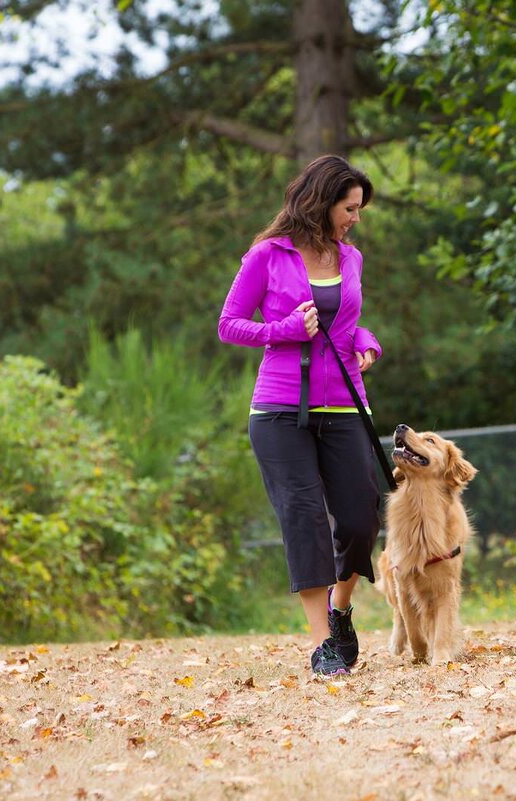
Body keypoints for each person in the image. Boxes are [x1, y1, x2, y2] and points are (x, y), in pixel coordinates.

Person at [218, 155, 382, 677]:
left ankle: (340, 609)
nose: (354, 217)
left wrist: (367, 342)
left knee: (361, 516)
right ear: (322, 201)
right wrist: (281, 329)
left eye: (358, 209)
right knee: (305, 518)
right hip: (280, 408)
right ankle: (322, 646)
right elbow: (229, 324)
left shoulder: (349, 257)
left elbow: (348, 324)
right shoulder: (266, 256)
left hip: (344, 403)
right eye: (349, 207)